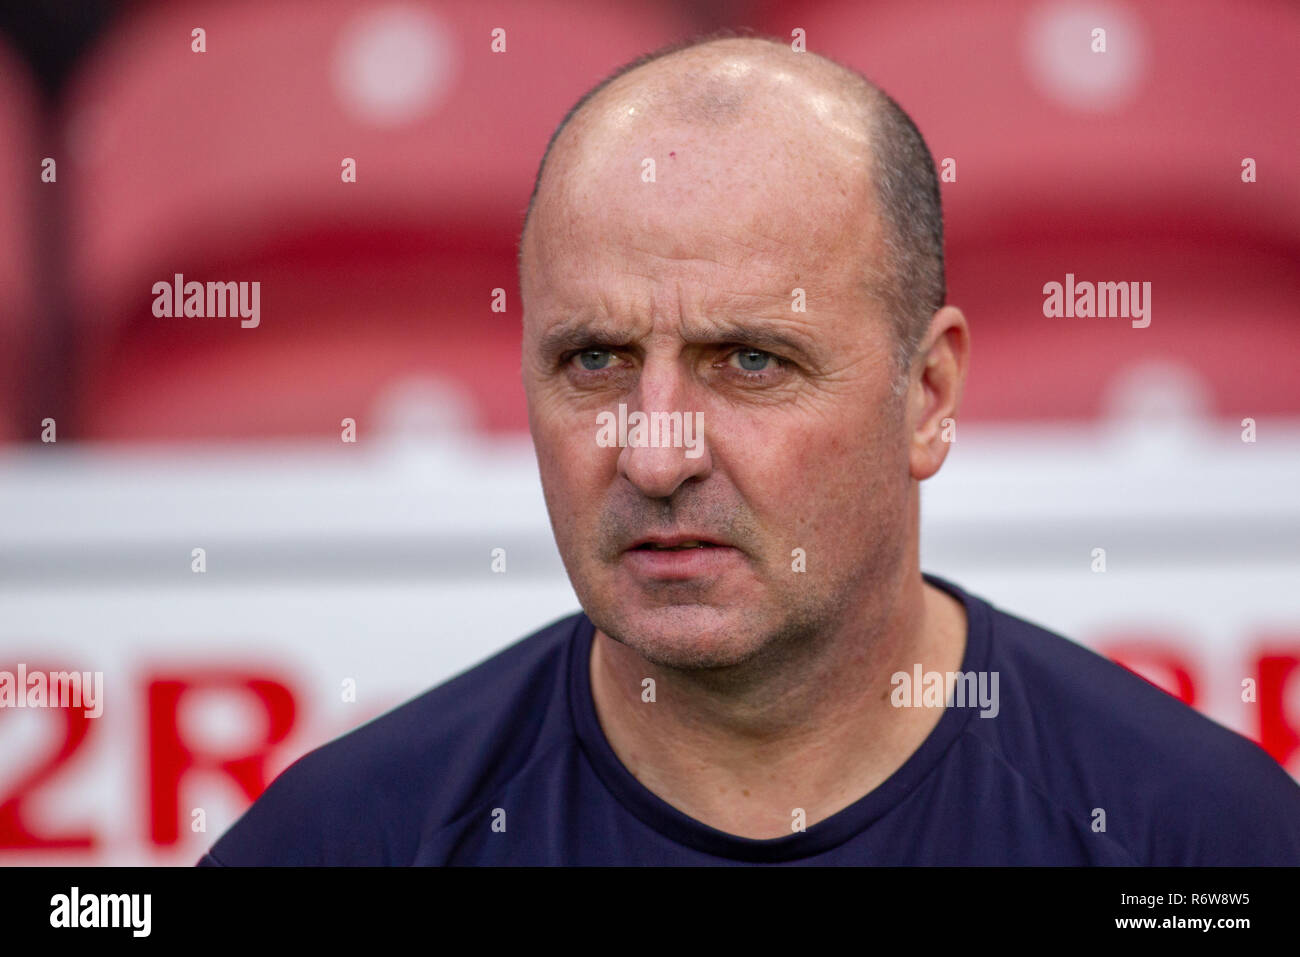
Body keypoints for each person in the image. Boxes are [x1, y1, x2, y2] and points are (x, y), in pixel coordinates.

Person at [199, 34, 1300, 865]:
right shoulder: (343, 845)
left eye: (750, 362)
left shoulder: (1192, 843)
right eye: (594, 361)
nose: (655, 455)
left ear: (926, 395)